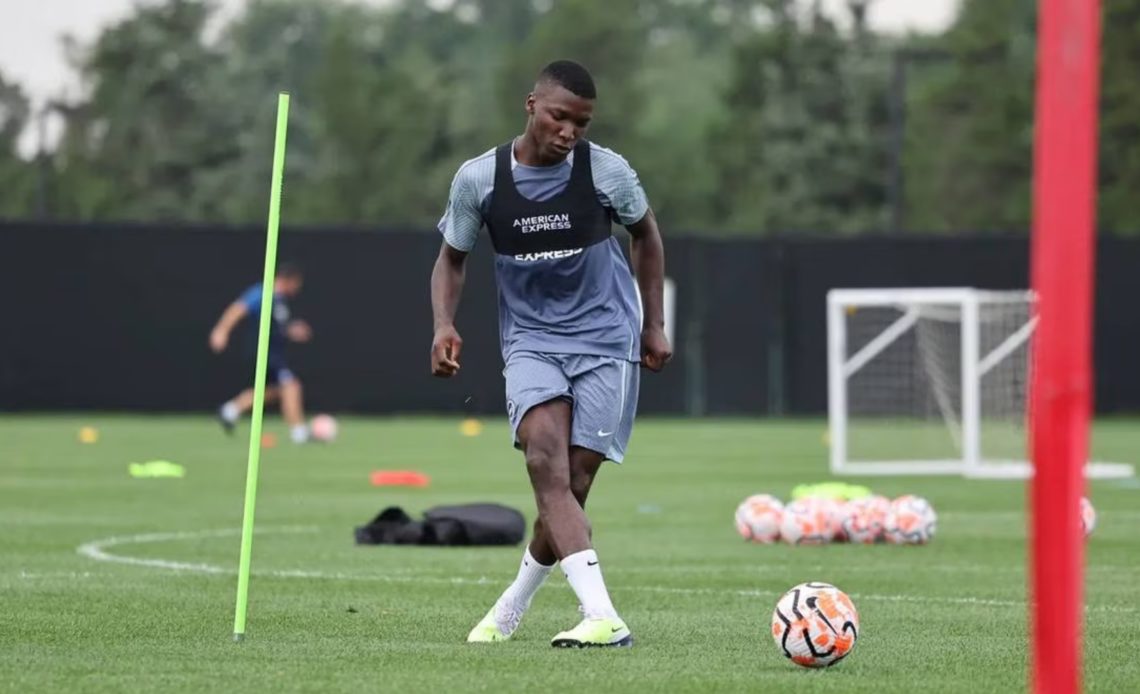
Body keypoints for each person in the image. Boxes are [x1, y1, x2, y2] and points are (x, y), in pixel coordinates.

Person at [431, 60, 671, 648]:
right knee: (545, 463)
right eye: (560, 117)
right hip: (532, 342)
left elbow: (646, 235)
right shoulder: (479, 179)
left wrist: (654, 324)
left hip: (606, 339)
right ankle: (603, 617)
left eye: (581, 124)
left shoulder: (606, 171)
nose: (569, 132)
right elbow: (452, 259)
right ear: (531, 104)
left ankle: (510, 606)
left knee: (573, 485)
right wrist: (443, 323)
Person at [210, 263, 312, 444]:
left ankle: (230, 410)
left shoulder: (280, 300)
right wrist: (221, 330)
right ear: (289, 280)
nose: (297, 288)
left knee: (273, 390)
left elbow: (277, 326)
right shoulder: (263, 293)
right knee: (291, 386)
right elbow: (238, 309)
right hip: (264, 352)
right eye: (297, 283)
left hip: (274, 353)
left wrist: (292, 330)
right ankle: (299, 433)